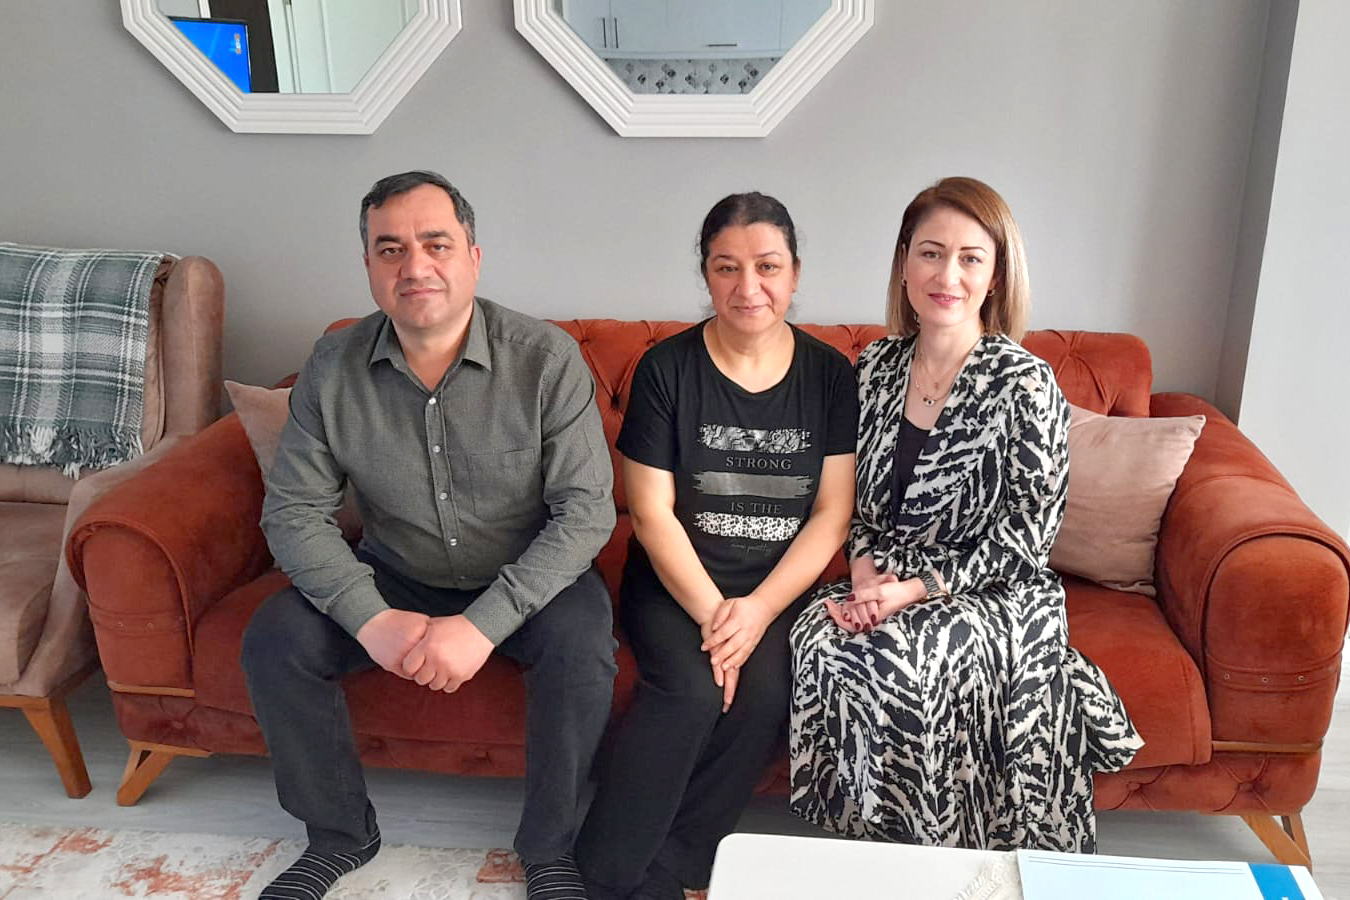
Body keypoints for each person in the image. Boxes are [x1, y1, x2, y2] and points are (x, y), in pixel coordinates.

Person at [240, 171, 617, 900]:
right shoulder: (333, 365)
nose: (414, 266)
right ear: (369, 266)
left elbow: (585, 514)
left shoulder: (546, 359)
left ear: (473, 257)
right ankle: (341, 837)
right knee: (274, 638)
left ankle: (549, 851)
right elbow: (293, 512)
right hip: (394, 573)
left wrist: (482, 626)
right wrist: (370, 618)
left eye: (435, 244)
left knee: (582, 648)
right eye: (391, 249)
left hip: (526, 575)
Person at [789, 176, 1143, 853]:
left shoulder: (1025, 382)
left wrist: (915, 591)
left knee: (903, 659)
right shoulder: (876, 368)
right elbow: (853, 499)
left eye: (969, 258)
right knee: (820, 638)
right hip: (885, 572)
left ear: (995, 276)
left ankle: (943, 854)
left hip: (993, 589)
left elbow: (1030, 534)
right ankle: (865, 846)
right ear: (904, 263)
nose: (946, 275)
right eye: (930, 253)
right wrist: (863, 574)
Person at [575, 193, 858, 900]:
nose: (747, 286)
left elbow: (832, 515)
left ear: (795, 273)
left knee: (762, 695)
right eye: (726, 267)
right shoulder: (666, 369)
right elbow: (651, 515)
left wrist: (757, 611)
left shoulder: (830, 376)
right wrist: (715, 617)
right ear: (705, 274)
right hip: (676, 583)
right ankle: (602, 875)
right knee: (691, 690)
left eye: (767, 266)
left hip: (776, 588)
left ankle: (675, 867)